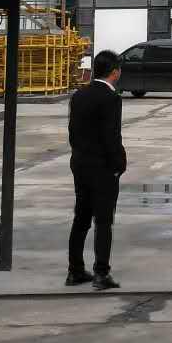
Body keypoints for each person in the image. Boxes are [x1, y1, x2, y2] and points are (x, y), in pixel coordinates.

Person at [67, 48, 126, 291]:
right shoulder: (111, 98)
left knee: (81, 218)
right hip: (102, 168)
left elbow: (72, 132)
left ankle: (75, 270)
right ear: (114, 72)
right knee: (103, 221)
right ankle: (101, 273)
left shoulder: (79, 95)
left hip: (80, 164)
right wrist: (118, 165)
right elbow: (111, 136)